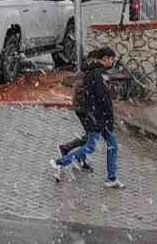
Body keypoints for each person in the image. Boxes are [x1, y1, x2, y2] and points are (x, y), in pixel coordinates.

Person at [53, 47, 123, 189]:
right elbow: (101, 97)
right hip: (98, 117)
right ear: (106, 59)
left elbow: (97, 95)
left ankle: (111, 178)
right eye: (112, 59)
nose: (113, 62)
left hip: (96, 116)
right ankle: (60, 161)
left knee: (112, 146)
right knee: (91, 146)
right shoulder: (98, 74)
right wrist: (106, 113)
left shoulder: (93, 72)